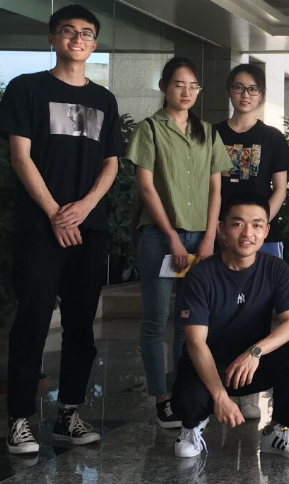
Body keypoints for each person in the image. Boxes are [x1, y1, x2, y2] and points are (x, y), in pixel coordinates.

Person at [0, 4, 123, 455]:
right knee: (32, 322)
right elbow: (20, 157)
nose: (77, 38)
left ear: (94, 44)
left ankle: (68, 414)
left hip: (90, 228)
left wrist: (84, 208)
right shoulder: (26, 88)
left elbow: (111, 164)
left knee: (81, 326)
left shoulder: (105, 100)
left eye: (86, 33)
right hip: (40, 226)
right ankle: (19, 419)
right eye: (68, 31)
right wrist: (55, 212)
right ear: (52, 39)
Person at [127, 56, 232, 428]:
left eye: (193, 86)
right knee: (156, 319)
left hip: (200, 239)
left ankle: (183, 391)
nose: (186, 92)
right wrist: (173, 237)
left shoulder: (207, 132)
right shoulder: (149, 129)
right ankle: (162, 399)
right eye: (178, 84)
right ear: (163, 87)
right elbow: (146, 186)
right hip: (161, 238)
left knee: (188, 321)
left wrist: (209, 237)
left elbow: (216, 188)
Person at [169, 192, 289, 459]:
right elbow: (195, 342)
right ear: (222, 229)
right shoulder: (201, 274)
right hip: (208, 366)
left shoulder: (276, 269)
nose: (248, 233)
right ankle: (192, 427)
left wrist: (255, 352)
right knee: (187, 400)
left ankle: (279, 430)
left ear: (266, 231)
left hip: (251, 366)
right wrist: (220, 397)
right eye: (238, 224)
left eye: (257, 225)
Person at [214, 63, 289, 420]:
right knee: (222, 310)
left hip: (262, 238)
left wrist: (259, 227)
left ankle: (251, 389)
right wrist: (220, 230)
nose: (244, 95)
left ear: (261, 95)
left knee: (259, 311)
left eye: (252, 89)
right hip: (221, 233)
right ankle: (218, 382)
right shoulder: (213, 134)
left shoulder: (272, 137)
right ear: (229, 91)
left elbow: (280, 189)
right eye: (238, 87)